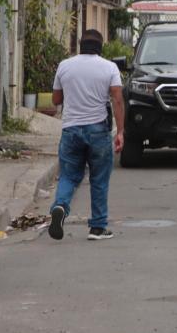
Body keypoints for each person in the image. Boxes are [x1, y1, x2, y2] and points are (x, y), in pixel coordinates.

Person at [48, 29, 125, 242]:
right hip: (98, 130)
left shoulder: (65, 65)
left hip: (71, 129)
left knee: (69, 175)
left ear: (81, 45)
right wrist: (120, 132)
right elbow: (117, 100)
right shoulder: (110, 68)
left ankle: (60, 206)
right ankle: (98, 227)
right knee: (99, 179)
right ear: (100, 47)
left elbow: (55, 100)